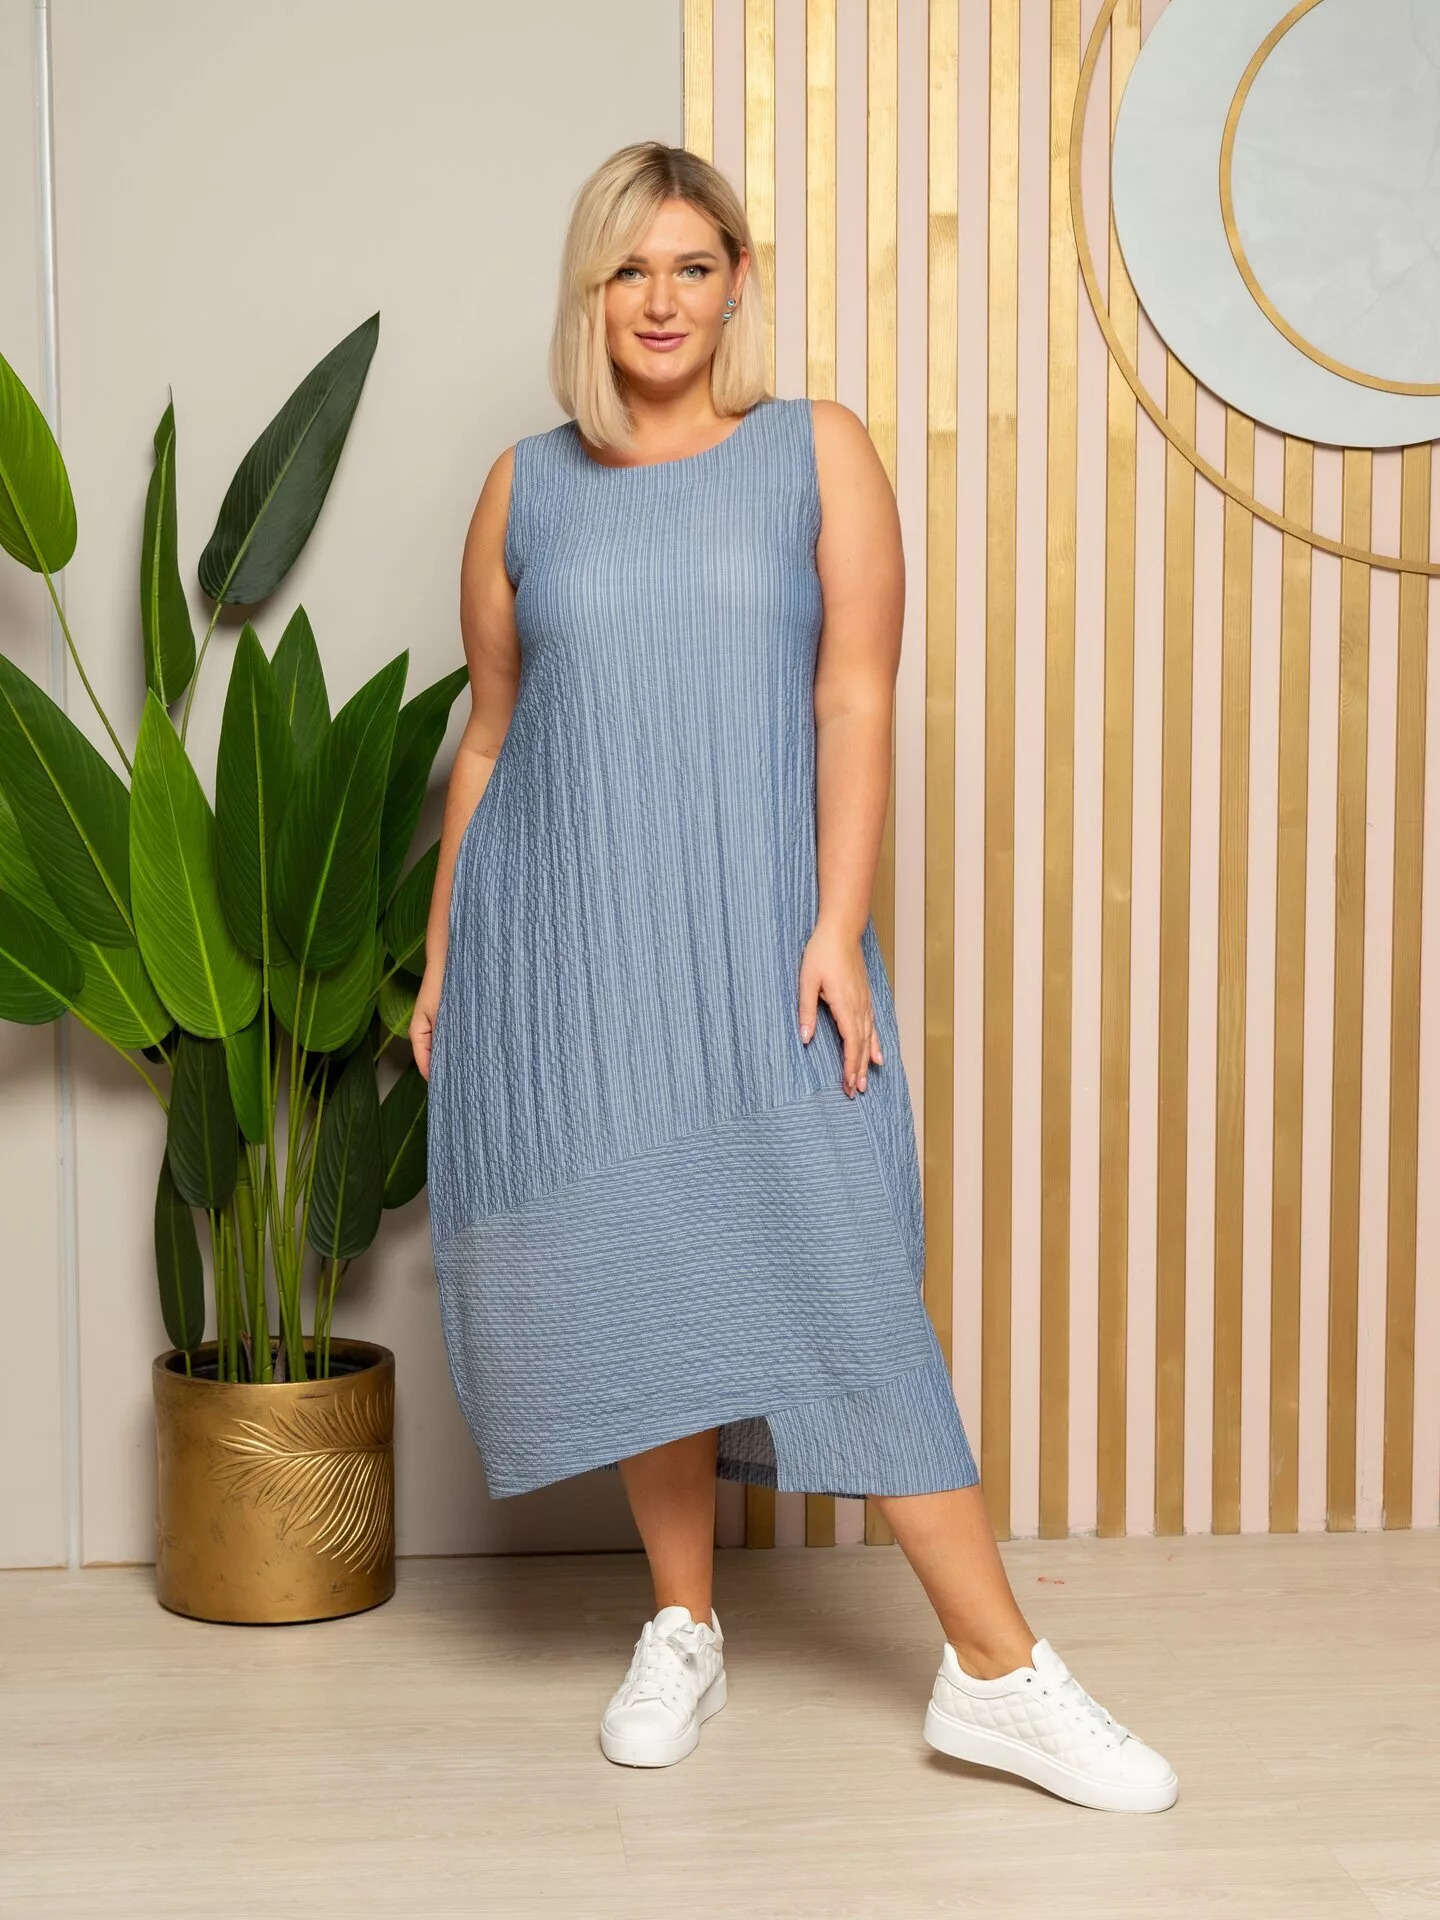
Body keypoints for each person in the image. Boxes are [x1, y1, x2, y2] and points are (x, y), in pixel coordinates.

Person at [411, 140, 1177, 1816]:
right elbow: (491, 735)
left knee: (843, 1271)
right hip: (571, 945)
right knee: (638, 1271)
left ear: (738, 280)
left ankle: (995, 1672)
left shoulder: (815, 451)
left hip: (762, 929)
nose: (661, 301)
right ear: (591, 293)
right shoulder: (524, 488)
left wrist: (836, 924)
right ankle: (682, 1623)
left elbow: (854, 697)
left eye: (692, 266)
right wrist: (453, 947)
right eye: (630, 270)